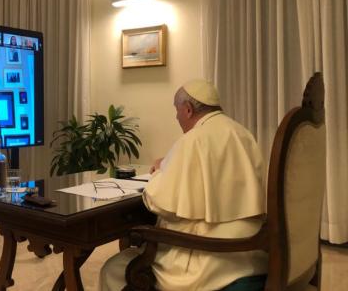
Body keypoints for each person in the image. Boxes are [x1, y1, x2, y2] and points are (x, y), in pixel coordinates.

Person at [100, 79, 268, 291]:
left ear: (188, 110)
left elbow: (162, 204)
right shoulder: (242, 133)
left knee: (113, 269)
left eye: (176, 110)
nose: (176, 117)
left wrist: (160, 171)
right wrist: (169, 161)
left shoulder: (194, 139)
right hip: (252, 250)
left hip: (210, 259)